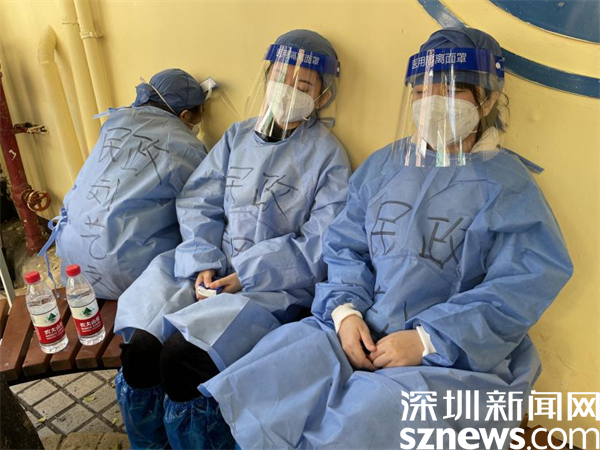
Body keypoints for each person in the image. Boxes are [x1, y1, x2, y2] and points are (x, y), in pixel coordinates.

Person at [201, 27, 574, 449]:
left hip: (453, 357)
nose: (432, 104)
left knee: (359, 423)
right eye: (423, 92)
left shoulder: (508, 187)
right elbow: (346, 247)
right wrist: (345, 314)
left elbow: (522, 284)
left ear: (487, 100)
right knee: (264, 376)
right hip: (357, 328)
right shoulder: (384, 167)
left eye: (450, 92)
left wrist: (429, 340)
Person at [114, 30, 351, 450]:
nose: (288, 91)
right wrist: (203, 260)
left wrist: (247, 274)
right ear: (266, 78)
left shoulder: (327, 157)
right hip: (205, 266)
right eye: (280, 78)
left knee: (182, 358)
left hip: (270, 287)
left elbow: (320, 242)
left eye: (302, 85)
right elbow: (199, 200)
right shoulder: (238, 137)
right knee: (141, 349)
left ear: (323, 96)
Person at [44, 68, 211, 299]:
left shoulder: (115, 122)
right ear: (184, 116)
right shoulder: (186, 146)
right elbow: (203, 206)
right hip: (125, 272)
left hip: (74, 261)